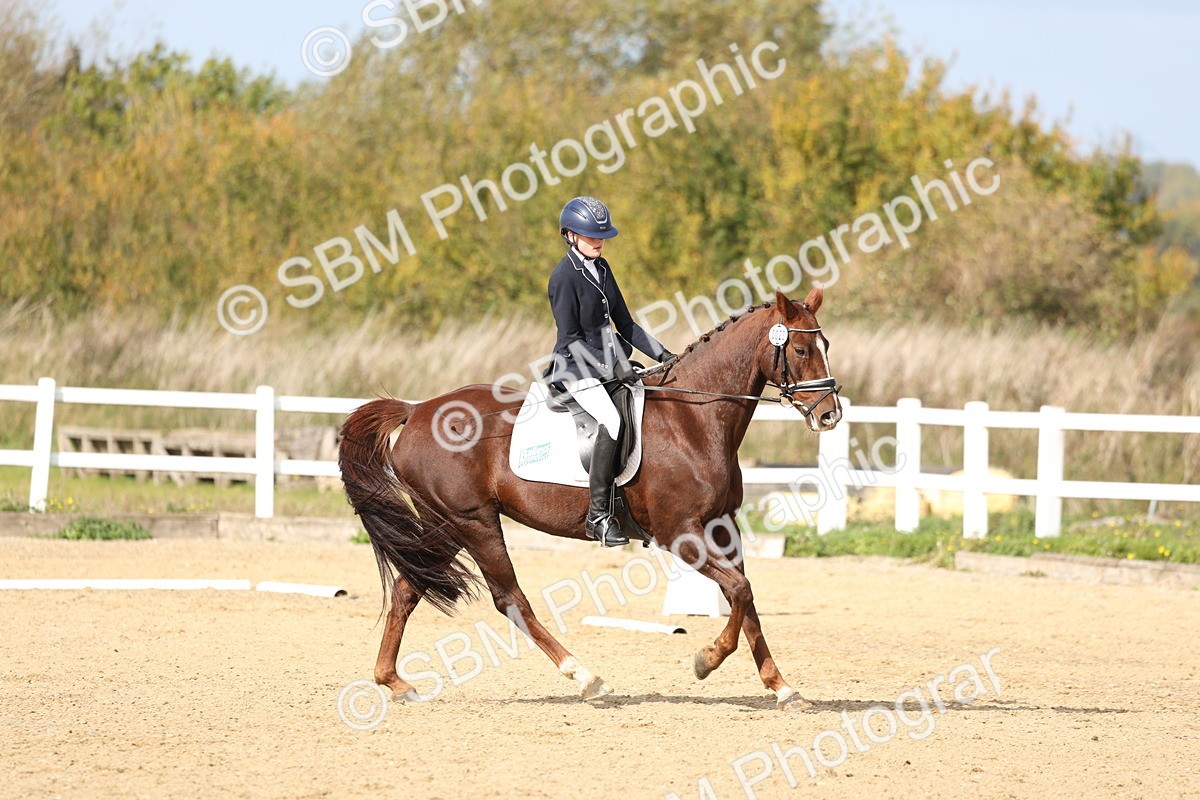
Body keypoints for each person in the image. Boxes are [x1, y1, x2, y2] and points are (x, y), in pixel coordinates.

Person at [542, 196, 675, 547]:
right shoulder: (563, 278)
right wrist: (611, 368)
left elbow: (626, 325)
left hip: (608, 363)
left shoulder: (602, 269)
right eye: (590, 235)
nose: (598, 240)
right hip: (575, 369)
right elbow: (569, 339)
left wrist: (667, 355)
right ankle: (599, 515)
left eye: (602, 235)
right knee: (612, 421)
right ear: (570, 235)